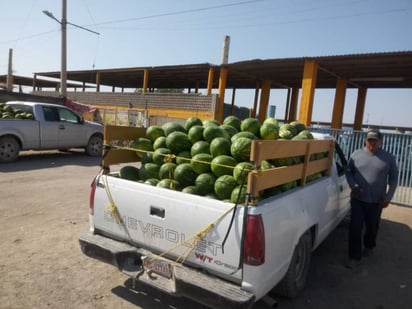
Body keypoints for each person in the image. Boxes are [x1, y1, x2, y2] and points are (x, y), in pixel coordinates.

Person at [345, 129, 398, 268]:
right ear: (365, 141)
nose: (372, 143)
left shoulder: (388, 158)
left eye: (375, 140)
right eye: (370, 140)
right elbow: (348, 172)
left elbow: (393, 179)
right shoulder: (356, 154)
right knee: (355, 228)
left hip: (377, 201)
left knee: (372, 228)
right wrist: (353, 185)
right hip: (358, 199)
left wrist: (388, 197)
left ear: (381, 142)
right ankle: (354, 257)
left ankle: (369, 246)